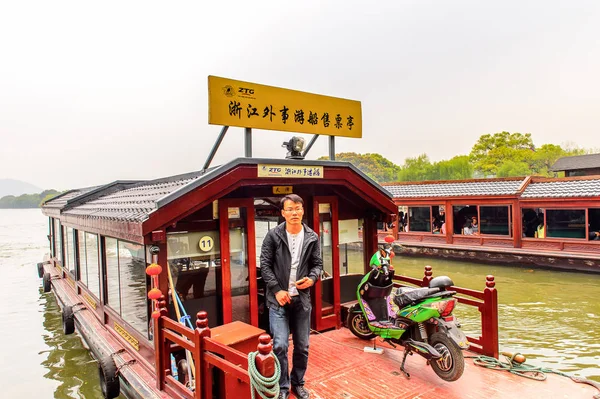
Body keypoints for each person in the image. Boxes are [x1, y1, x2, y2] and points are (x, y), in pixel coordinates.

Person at [260, 194, 323, 399]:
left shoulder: (312, 236)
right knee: (280, 344)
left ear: (303, 210)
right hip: (278, 300)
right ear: (283, 213)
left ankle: (298, 383)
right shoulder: (273, 236)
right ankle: (283, 387)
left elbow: (317, 265)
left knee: (303, 346)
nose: (294, 212)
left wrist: (312, 279)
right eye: (290, 209)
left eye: (297, 208)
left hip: (301, 299)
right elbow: (265, 266)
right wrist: (277, 290)